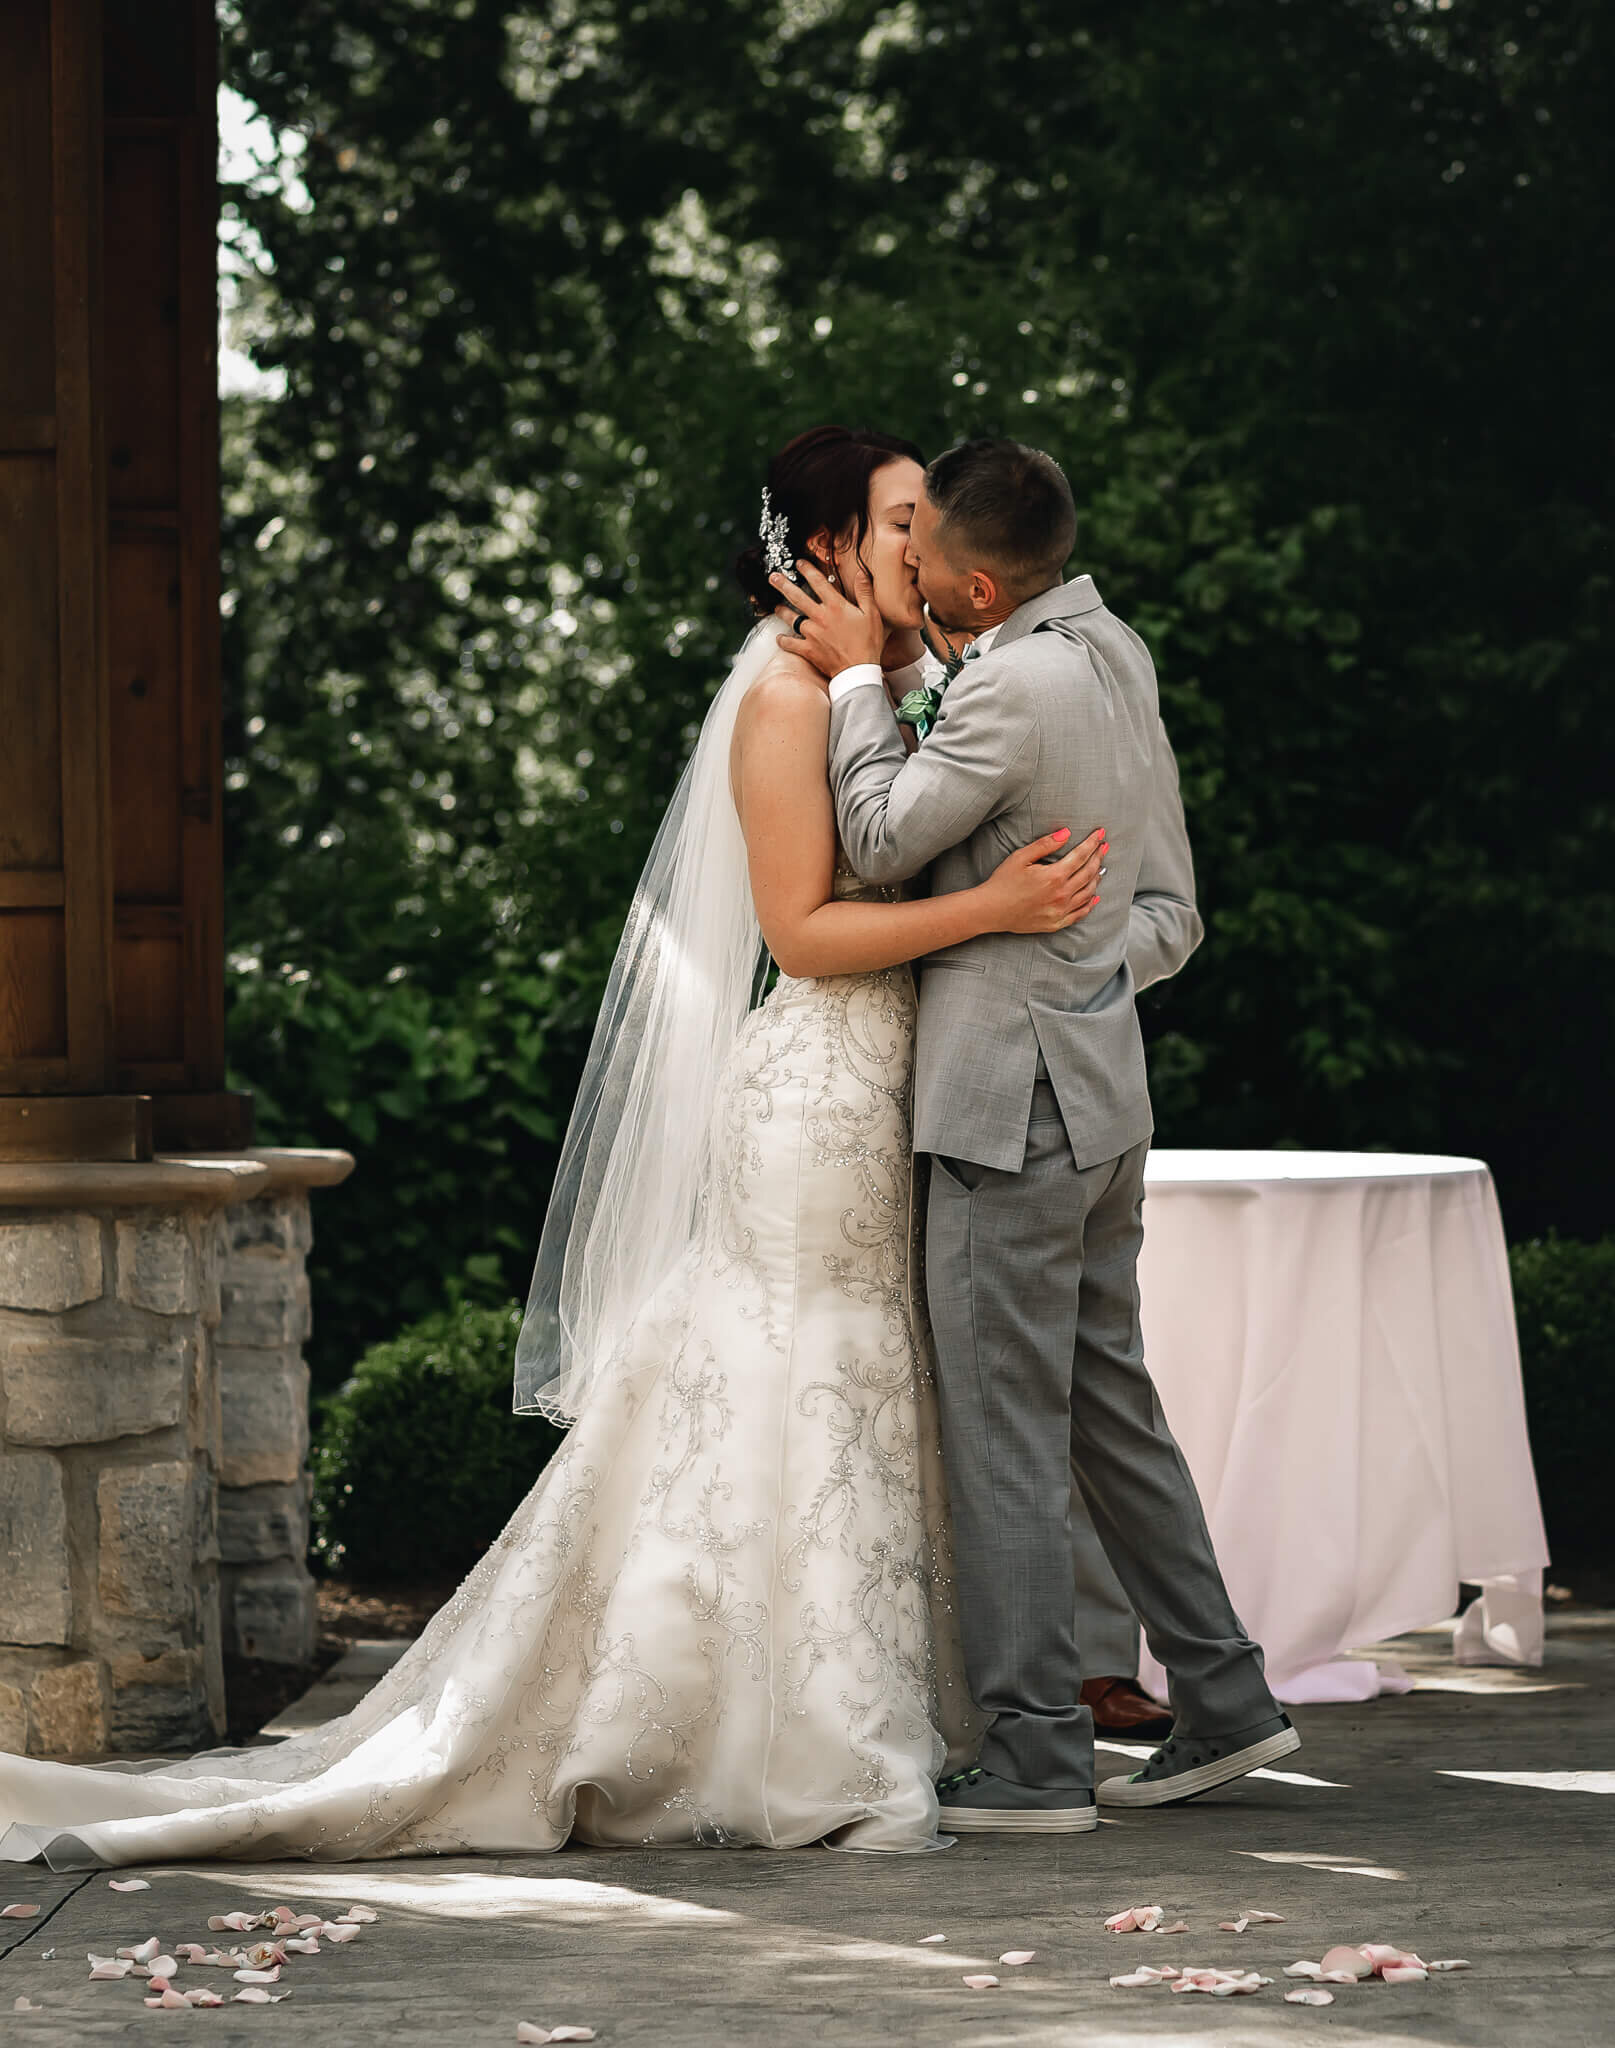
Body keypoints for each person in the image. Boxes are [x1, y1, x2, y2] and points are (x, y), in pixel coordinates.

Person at [0, 426, 1108, 1867]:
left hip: (884, 1083)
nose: (927, 543)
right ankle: (779, 1728)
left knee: (851, 1386)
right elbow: (802, 934)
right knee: (800, 1376)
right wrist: (993, 912)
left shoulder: (876, 687)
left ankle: (868, 1697)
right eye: (902, 521)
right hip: (816, 1095)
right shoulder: (782, 700)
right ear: (827, 546)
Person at [770, 437, 1297, 1834]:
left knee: (1001, 1432)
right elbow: (1169, 910)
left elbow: (876, 838)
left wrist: (850, 687)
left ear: (977, 577)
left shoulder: (1007, 684)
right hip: (1102, 1099)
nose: (908, 567)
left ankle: (1034, 1755)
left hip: (1011, 1115)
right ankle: (1228, 1698)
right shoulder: (1109, 648)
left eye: (924, 551)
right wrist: (1078, 989)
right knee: (1108, 1414)